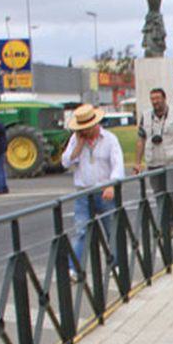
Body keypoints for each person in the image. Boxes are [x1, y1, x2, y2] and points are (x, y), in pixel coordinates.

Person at [61, 104, 125, 278]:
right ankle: (74, 269)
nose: (83, 132)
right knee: (81, 231)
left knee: (111, 229)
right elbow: (65, 162)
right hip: (83, 192)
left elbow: (118, 164)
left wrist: (112, 184)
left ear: (95, 124)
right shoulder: (76, 140)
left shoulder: (110, 139)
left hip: (104, 191)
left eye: (86, 129)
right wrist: (78, 147)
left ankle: (116, 264)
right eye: (80, 129)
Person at [134, 87, 173, 231]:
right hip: (153, 160)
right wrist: (137, 162)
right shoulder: (146, 116)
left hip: (170, 160)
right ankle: (164, 222)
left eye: (157, 99)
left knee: (169, 191)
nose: (155, 102)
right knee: (159, 194)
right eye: (152, 99)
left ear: (164, 98)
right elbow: (141, 139)